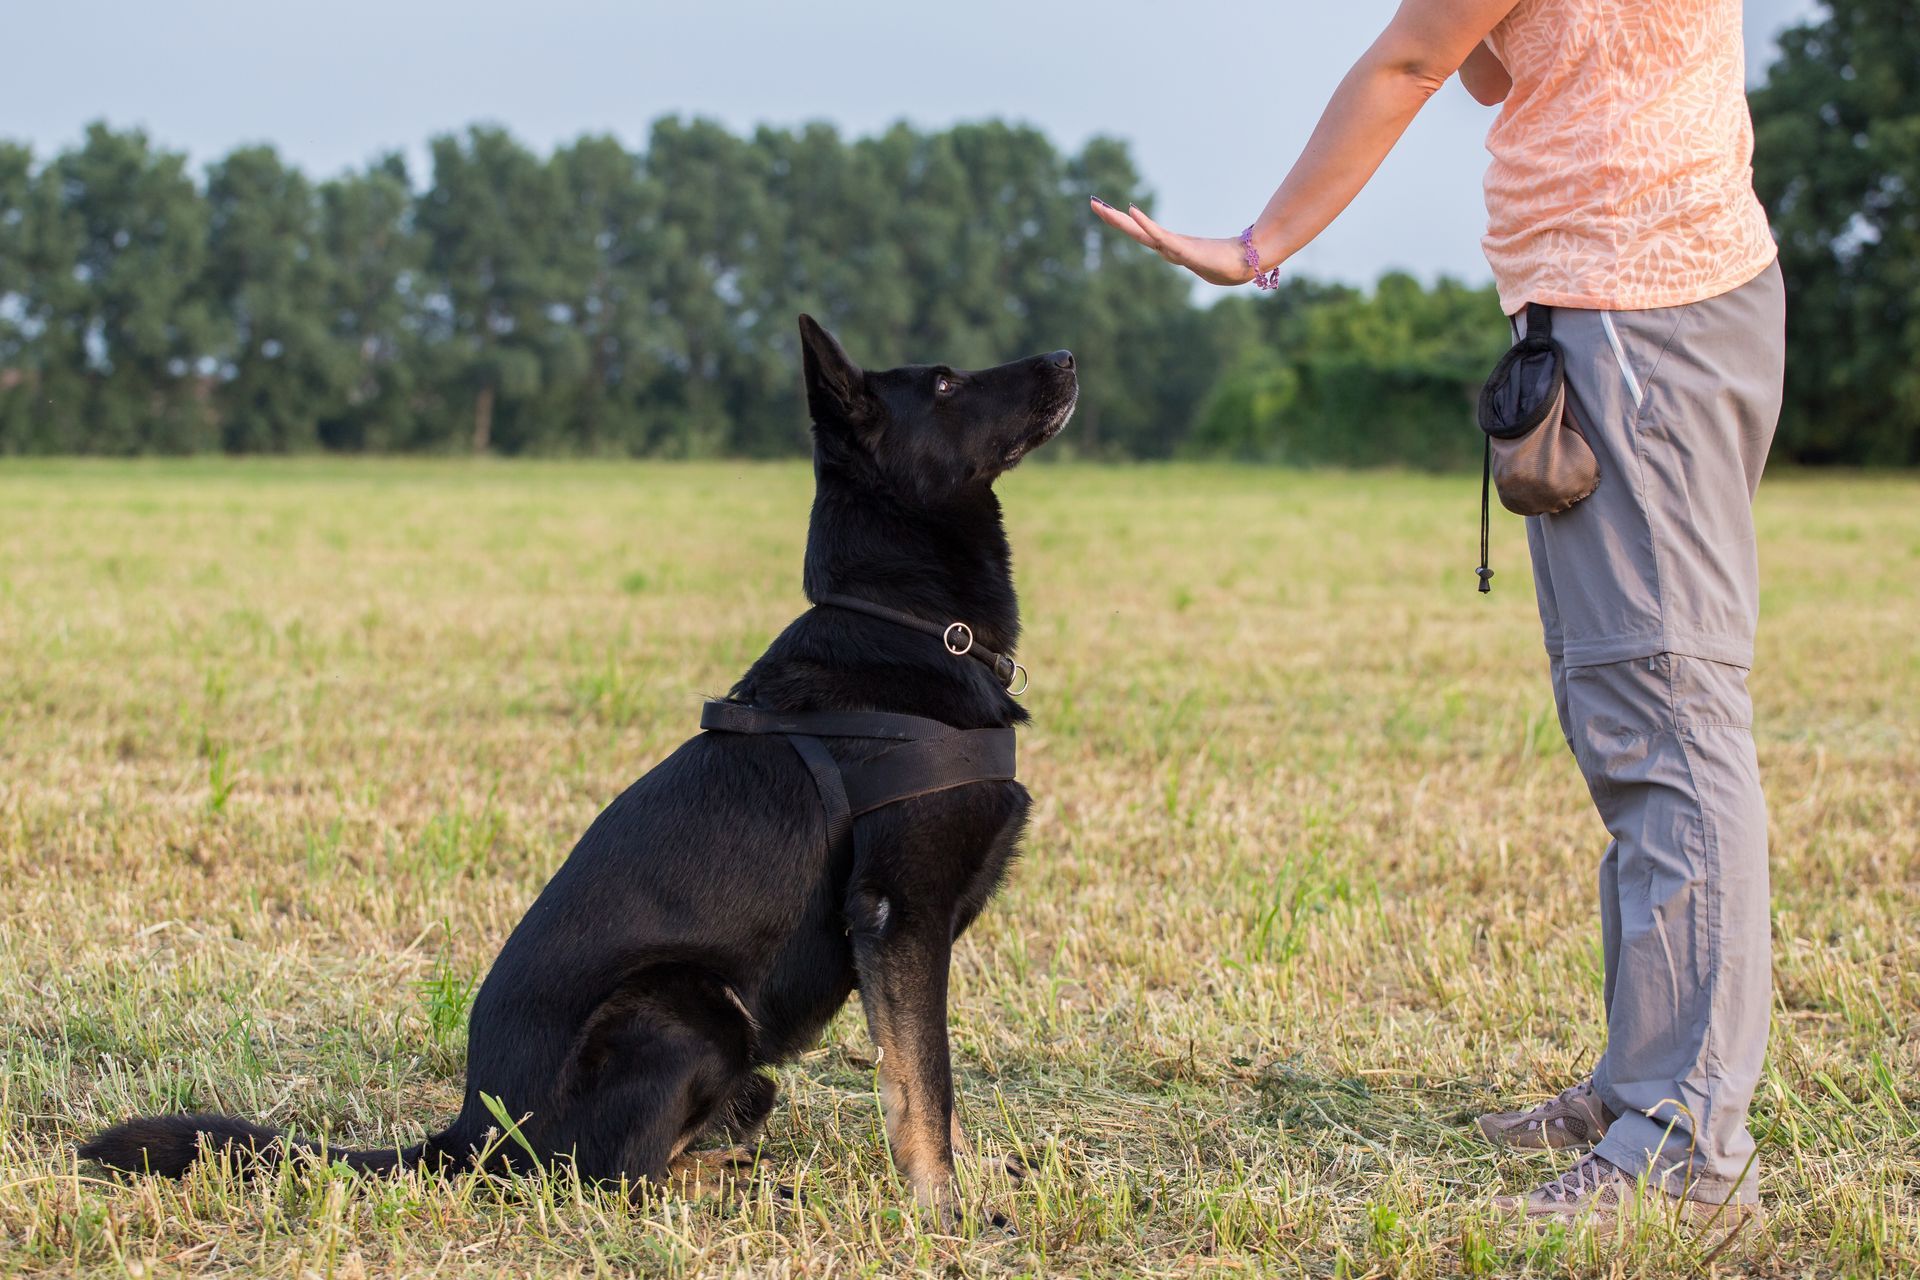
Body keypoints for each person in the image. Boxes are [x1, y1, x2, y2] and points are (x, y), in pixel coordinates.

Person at [1092, 0, 1783, 1242]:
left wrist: (1259, 245)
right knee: (1632, 717)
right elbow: (1483, 67)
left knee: (1668, 721)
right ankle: (1644, 1088)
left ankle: (1682, 1139)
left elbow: (1412, 62)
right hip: (1641, 303)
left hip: (1636, 316)